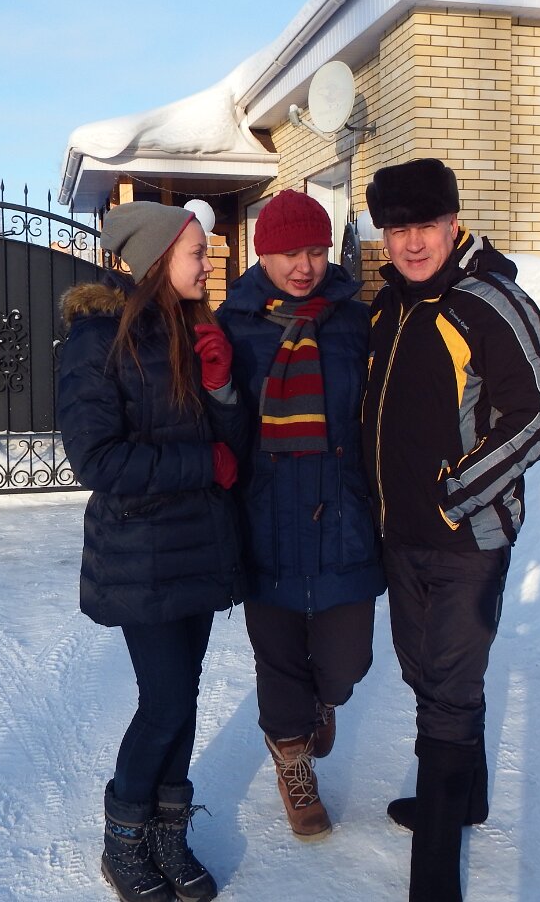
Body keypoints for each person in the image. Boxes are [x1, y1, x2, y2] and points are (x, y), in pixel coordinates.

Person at [360, 159, 540, 902]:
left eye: (425, 226)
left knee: (447, 692)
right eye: (397, 229)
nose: (412, 243)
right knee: (424, 674)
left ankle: (435, 878)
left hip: (465, 538)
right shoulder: (387, 308)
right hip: (401, 536)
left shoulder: (490, 302)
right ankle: (464, 797)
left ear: (453, 223)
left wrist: (456, 492)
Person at [57, 200, 245, 902]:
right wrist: (202, 464)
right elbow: (97, 460)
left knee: (183, 699)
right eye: (198, 253)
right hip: (142, 554)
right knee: (164, 702)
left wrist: (223, 388)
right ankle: (124, 843)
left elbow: (233, 444)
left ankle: (168, 835)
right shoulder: (97, 342)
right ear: (159, 260)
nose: (209, 263)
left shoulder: (194, 330)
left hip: (198, 546)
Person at [216, 189, 385, 840]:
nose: (304, 266)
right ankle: (292, 760)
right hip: (266, 515)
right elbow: (221, 420)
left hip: (343, 511)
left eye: (315, 250)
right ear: (264, 254)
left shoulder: (355, 321)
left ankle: (325, 702)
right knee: (279, 657)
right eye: (290, 253)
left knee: (346, 664)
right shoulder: (234, 325)